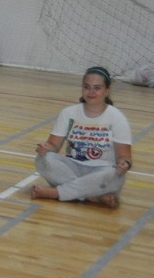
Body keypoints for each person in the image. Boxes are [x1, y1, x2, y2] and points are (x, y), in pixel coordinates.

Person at [31, 66, 133, 208]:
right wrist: (45, 149)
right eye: (86, 87)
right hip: (72, 168)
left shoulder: (117, 117)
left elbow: (125, 157)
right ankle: (92, 196)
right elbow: (53, 146)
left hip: (101, 172)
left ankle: (56, 193)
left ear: (107, 91)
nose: (91, 92)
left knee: (115, 175)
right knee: (44, 160)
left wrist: (124, 165)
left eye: (97, 88)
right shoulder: (68, 113)